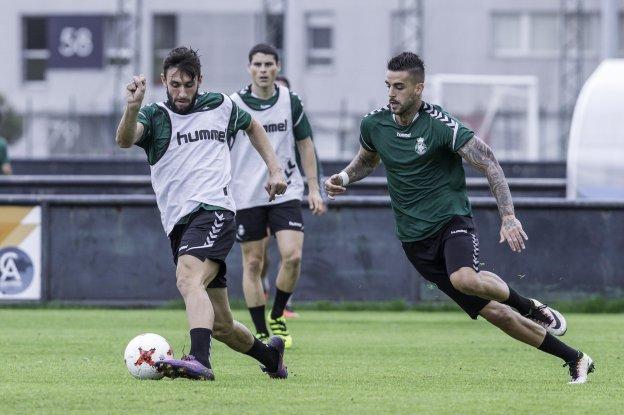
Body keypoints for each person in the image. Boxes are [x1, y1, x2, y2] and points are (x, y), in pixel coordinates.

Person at [324, 52, 594, 384]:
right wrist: (344, 178)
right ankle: (576, 358)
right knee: (496, 314)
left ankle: (530, 307)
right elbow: (367, 160)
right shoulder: (374, 124)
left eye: (399, 86)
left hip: (451, 222)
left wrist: (508, 217)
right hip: (413, 239)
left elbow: (489, 162)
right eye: (388, 86)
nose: (391, 94)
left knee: (464, 278)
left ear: (419, 88)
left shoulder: (440, 125)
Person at [115, 46, 289, 381]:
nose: (181, 92)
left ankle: (199, 359)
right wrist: (132, 107)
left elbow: (253, 125)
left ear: (200, 81)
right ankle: (271, 355)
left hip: (214, 211)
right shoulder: (153, 115)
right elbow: (124, 140)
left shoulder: (221, 105)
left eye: (188, 85)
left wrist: (275, 169)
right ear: (163, 80)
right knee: (222, 324)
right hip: (179, 222)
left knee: (187, 278)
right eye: (175, 84)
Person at [230, 44, 325, 347]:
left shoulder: (289, 100)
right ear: (249, 68)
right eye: (257, 64)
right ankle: (259, 329)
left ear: (277, 67)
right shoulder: (233, 104)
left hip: (286, 189)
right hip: (246, 194)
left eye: (268, 64)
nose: (263, 69)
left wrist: (313, 187)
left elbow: (306, 144)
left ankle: (278, 314)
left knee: (292, 255)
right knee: (254, 264)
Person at [258, 74, 325, 319]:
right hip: (257, 193)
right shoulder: (252, 115)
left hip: (289, 193)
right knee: (260, 254)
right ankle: (262, 291)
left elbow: (308, 151)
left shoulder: (293, 116)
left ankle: (282, 307)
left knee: (291, 254)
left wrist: (315, 190)